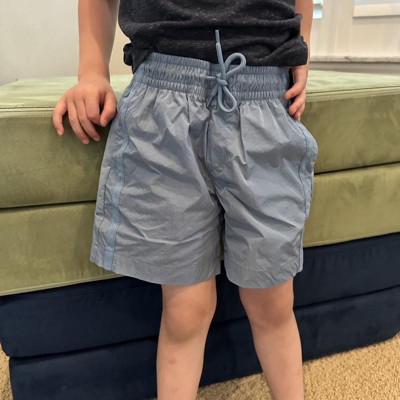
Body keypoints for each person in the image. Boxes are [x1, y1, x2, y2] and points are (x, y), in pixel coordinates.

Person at [53, 1, 316, 399]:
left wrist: (301, 47)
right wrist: (91, 71)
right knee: (185, 309)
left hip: (266, 95)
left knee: (273, 298)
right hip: (162, 100)